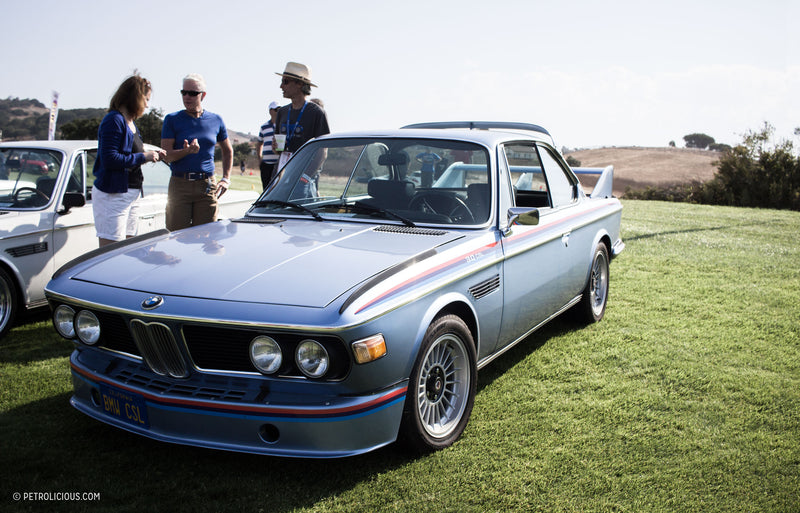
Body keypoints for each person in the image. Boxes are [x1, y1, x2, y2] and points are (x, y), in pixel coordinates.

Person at [93, 73, 165, 247]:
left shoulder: (130, 122)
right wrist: (144, 157)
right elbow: (110, 159)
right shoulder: (114, 120)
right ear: (136, 98)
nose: (147, 105)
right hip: (113, 195)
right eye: (146, 100)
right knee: (110, 252)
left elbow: (129, 150)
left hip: (131, 194)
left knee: (128, 249)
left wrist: (150, 152)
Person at [161, 73, 233, 231]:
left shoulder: (216, 120)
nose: (187, 97)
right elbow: (166, 156)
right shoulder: (172, 119)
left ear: (203, 95)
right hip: (179, 185)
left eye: (192, 93)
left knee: (207, 237)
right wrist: (186, 151)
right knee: (176, 237)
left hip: (206, 186)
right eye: (183, 92)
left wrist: (226, 178)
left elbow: (228, 150)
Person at [273, 62, 330, 172]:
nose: (281, 86)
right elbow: (277, 150)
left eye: (285, 81)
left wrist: (307, 176)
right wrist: (275, 147)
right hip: (281, 174)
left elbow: (322, 151)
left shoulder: (317, 113)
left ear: (299, 84)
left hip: (303, 179)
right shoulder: (282, 112)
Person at [256, 101, 280, 189]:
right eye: (276, 109)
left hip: (279, 163)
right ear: (270, 111)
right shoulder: (264, 127)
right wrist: (259, 159)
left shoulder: (282, 125)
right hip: (266, 164)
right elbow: (259, 144)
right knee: (265, 189)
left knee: (278, 188)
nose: (278, 111)